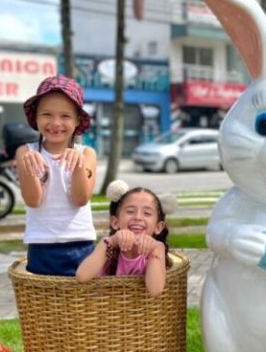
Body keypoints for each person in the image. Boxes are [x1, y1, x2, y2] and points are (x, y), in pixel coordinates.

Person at [17, 75, 98, 276]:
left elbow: (81, 199)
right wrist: (30, 169)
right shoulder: (25, 152)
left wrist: (79, 165)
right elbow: (33, 200)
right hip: (40, 243)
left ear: (78, 120)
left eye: (65, 116)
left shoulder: (87, 154)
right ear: (35, 117)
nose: (55, 123)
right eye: (47, 114)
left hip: (81, 242)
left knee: (82, 304)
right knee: (43, 304)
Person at [76, 180, 175, 296]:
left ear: (158, 227)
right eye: (130, 211)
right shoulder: (108, 245)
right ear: (115, 222)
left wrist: (155, 249)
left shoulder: (157, 248)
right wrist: (112, 241)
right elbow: (82, 276)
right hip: (108, 311)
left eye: (147, 213)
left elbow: (155, 289)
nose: (138, 217)